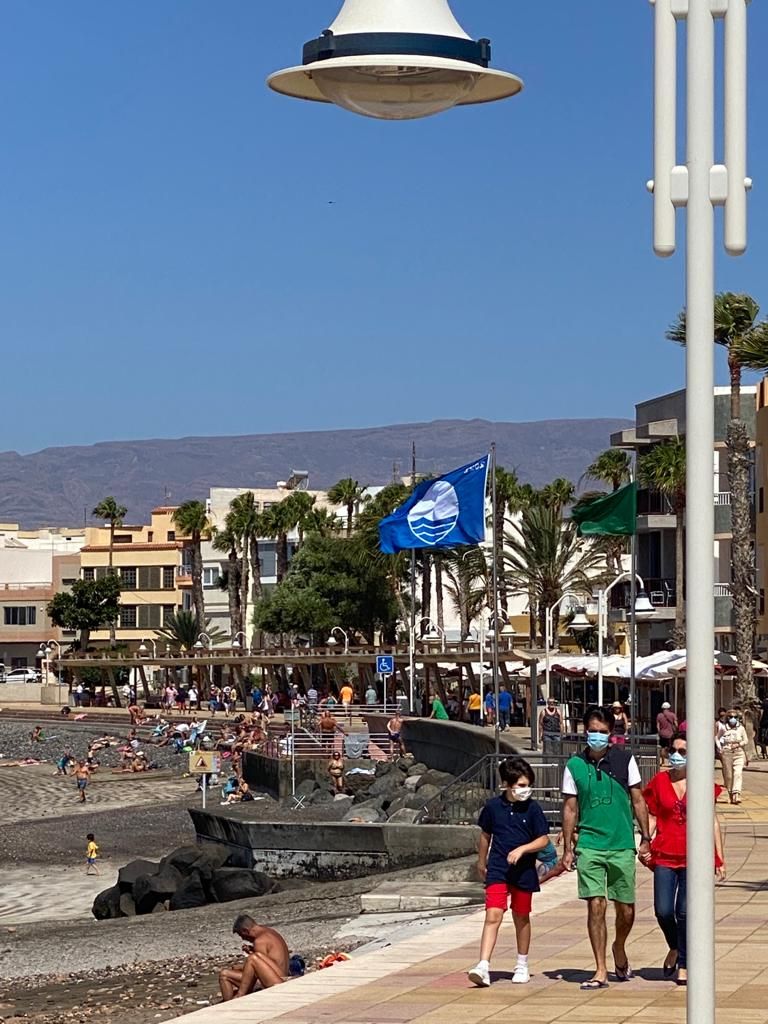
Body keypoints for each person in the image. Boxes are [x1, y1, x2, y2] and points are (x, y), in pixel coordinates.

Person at [561, 706, 651, 990]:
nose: (597, 736)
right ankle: (600, 969)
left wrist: (645, 836)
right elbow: (569, 809)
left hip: (622, 843)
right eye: (592, 731)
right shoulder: (574, 766)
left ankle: (619, 946)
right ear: (584, 731)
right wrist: (567, 848)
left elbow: (638, 801)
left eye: (602, 732)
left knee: (626, 910)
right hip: (589, 844)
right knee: (596, 904)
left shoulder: (625, 760)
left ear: (611, 733)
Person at [642, 732, 725, 986]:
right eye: (674, 750)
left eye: (684, 751)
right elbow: (653, 816)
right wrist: (646, 840)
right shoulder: (659, 782)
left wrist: (719, 858)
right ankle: (676, 947)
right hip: (665, 855)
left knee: (685, 911)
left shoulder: (702, 783)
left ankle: (685, 964)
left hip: (695, 857)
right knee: (663, 910)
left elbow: (711, 820)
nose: (677, 755)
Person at [467, 757, 550, 988]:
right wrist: (481, 861)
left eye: (528, 785)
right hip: (498, 869)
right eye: (521, 785)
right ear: (507, 784)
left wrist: (523, 849)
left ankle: (522, 964)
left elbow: (543, 839)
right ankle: (483, 965)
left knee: (521, 916)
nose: (526, 790)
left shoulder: (533, 809)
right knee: (493, 914)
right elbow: (485, 835)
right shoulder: (493, 807)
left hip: (523, 872)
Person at [218, 913, 290, 1000]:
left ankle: (232, 1002)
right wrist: (252, 951)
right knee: (237, 968)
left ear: (245, 931)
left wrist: (251, 955)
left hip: (277, 980)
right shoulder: (270, 932)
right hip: (283, 975)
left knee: (224, 974)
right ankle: (236, 996)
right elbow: (267, 962)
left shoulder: (259, 941)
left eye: (242, 936)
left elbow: (256, 972)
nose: (243, 939)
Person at [720, 710, 748, 804]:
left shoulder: (741, 728)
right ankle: (730, 793)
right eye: (731, 717)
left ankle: (737, 794)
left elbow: (746, 740)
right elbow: (717, 738)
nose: (733, 719)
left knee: (738, 773)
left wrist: (739, 744)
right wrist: (720, 747)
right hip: (727, 753)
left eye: (735, 717)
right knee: (728, 776)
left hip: (738, 753)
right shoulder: (723, 728)